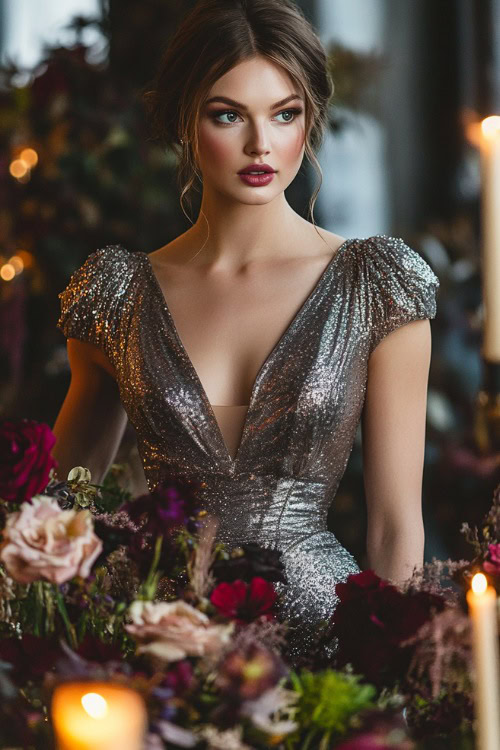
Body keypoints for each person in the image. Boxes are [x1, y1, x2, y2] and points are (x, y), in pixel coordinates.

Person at [52, 0, 440, 662]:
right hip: (160, 651)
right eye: (228, 115)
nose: (262, 144)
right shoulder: (114, 294)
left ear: (309, 119)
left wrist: (393, 685)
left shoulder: (378, 284)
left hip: (326, 663)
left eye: (284, 114)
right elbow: (59, 520)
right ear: (184, 120)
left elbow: (395, 527)